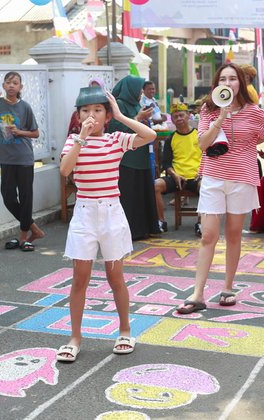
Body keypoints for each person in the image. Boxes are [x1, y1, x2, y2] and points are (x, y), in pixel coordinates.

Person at [56, 85, 157, 362]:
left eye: (98, 110)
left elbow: (150, 135)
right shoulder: (73, 142)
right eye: (85, 111)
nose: (92, 115)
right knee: (80, 278)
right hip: (85, 212)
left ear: (107, 115)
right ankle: (75, 337)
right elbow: (65, 170)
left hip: (111, 211)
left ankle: (125, 331)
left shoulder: (115, 140)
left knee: (115, 277)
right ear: (78, 116)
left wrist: (122, 115)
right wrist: (81, 138)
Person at [176, 63, 264, 314]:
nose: (228, 83)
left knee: (233, 234)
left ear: (240, 82)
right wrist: (221, 117)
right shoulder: (208, 109)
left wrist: (247, 144)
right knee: (208, 234)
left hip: (242, 177)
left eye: (233, 79)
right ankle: (197, 293)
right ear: (217, 84)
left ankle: (228, 286)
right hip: (213, 177)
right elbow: (202, 143)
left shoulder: (253, 111)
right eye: (223, 79)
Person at [0, 72, 44, 252]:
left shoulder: (25, 107)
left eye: (15, 83)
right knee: (8, 197)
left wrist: (20, 132)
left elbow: (35, 133)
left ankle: (23, 237)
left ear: (20, 87)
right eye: (8, 82)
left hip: (24, 158)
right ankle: (33, 229)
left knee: (26, 198)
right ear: (3, 85)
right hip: (6, 159)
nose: (11, 85)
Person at [108, 75, 159, 240]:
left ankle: (144, 228)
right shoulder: (119, 105)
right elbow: (114, 128)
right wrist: (137, 118)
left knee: (141, 193)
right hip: (127, 158)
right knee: (130, 195)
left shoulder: (136, 104)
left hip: (141, 155)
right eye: (138, 90)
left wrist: (143, 118)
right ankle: (130, 231)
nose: (140, 93)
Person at [154, 102, 202, 235]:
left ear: (188, 116)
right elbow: (166, 164)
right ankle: (161, 222)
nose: (179, 118)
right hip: (176, 178)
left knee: (207, 186)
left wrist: (202, 172)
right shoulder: (171, 139)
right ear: (172, 120)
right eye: (175, 117)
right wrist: (174, 175)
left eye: (181, 115)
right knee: (155, 185)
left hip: (195, 177)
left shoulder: (199, 135)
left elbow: (207, 159)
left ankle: (201, 223)